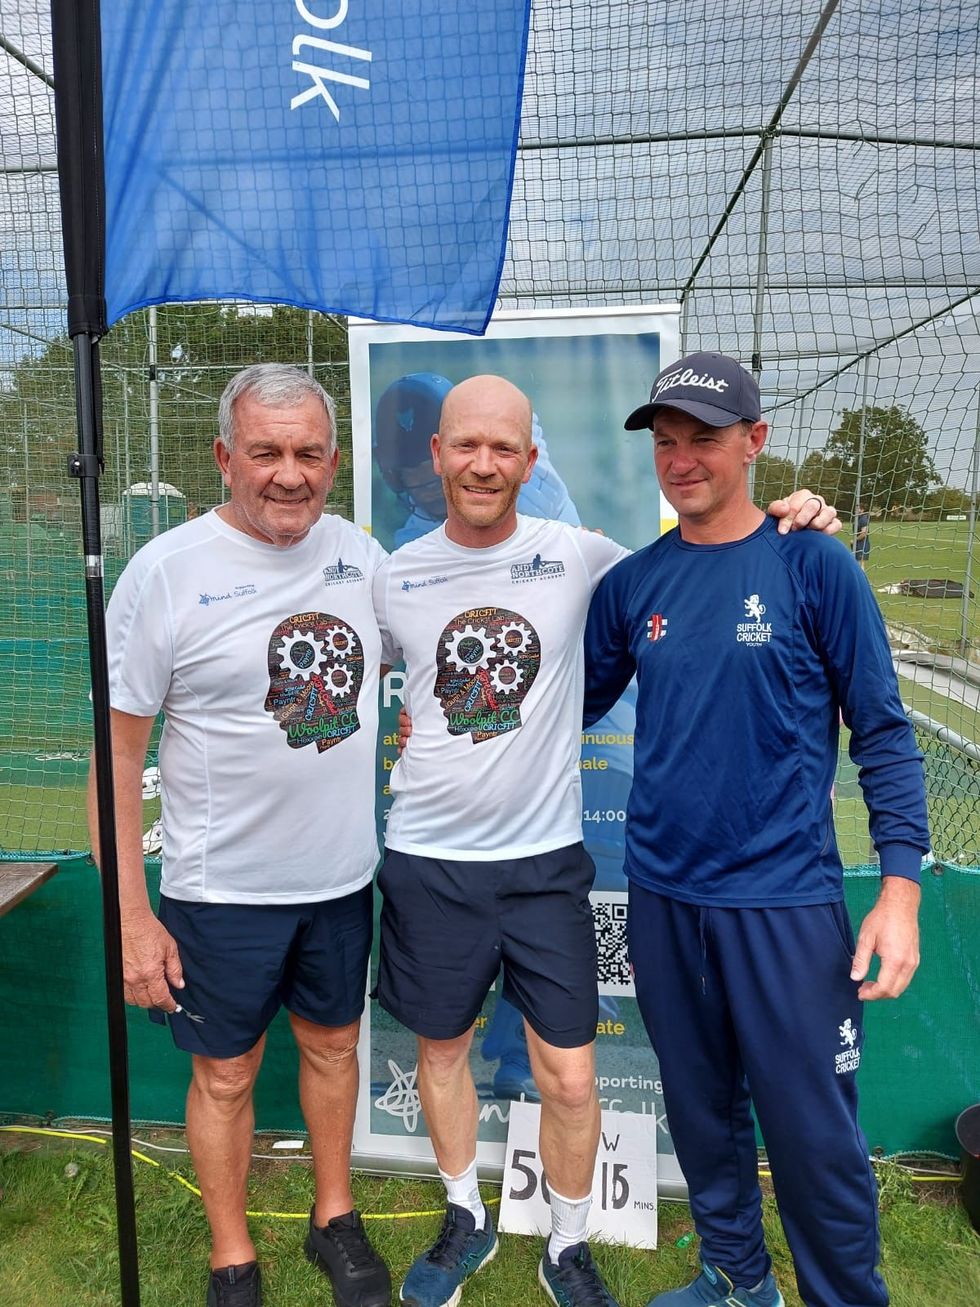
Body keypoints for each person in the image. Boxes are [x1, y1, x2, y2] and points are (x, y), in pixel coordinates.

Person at [373, 373, 840, 1307]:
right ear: (437, 455)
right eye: (465, 444)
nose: (482, 463)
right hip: (427, 858)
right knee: (440, 1052)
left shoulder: (585, 556)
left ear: (530, 460)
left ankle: (566, 1246)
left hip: (546, 863)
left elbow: (708, 561)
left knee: (572, 1076)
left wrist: (799, 513)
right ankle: (464, 1217)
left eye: (503, 447)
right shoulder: (394, 572)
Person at [583, 352, 930, 1307]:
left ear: (755, 441)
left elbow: (885, 734)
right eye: (666, 442)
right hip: (663, 897)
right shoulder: (634, 584)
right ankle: (736, 1279)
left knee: (816, 1137)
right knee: (700, 1116)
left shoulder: (813, 561)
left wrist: (898, 889)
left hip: (784, 903)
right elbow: (557, 706)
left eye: (704, 437)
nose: (682, 458)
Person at [89, 365, 392, 1307]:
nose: (288, 473)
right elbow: (113, 765)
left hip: (342, 881)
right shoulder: (166, 575)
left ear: (333, 462)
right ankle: (232, 1255)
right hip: (219, 894)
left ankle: (333, 1218)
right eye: (266, 452)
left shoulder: (364, 556)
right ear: (226, 457)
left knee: (336, 1048)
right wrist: (134, 920)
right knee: (224, 1076)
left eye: (308, 453)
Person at [854, 502, 871, 569]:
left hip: (862, 545)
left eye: (857, 509)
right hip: (858, 544)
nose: (855, 510)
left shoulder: (863, 519)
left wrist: (855, 540)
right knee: (856, 564)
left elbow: (864, 533)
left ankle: (861, 579)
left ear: (862, 510)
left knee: (860, 565)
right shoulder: (858, 518)